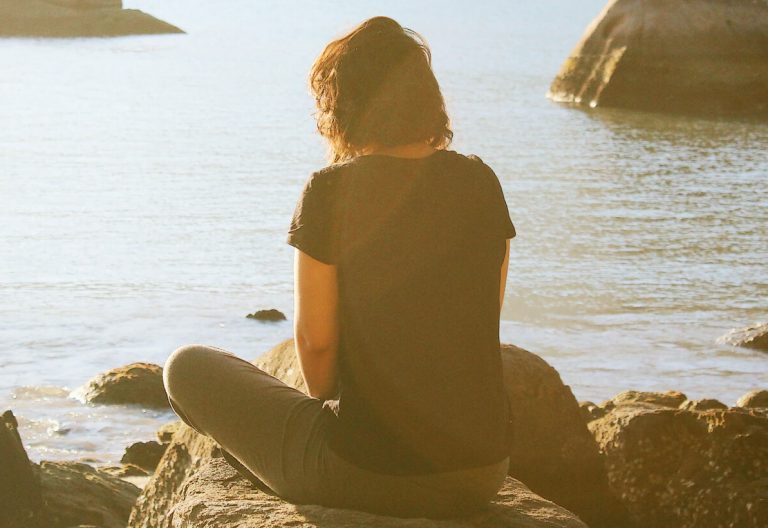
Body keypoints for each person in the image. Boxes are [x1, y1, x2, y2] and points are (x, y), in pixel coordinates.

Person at [163, 15, 516, 519]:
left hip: (369, 473)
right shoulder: (482, 182)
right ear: (427, 98)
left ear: (341, 106)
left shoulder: (329, 192)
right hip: (483, 471)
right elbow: (484, 315)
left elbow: (320, 368)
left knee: (186, 367)